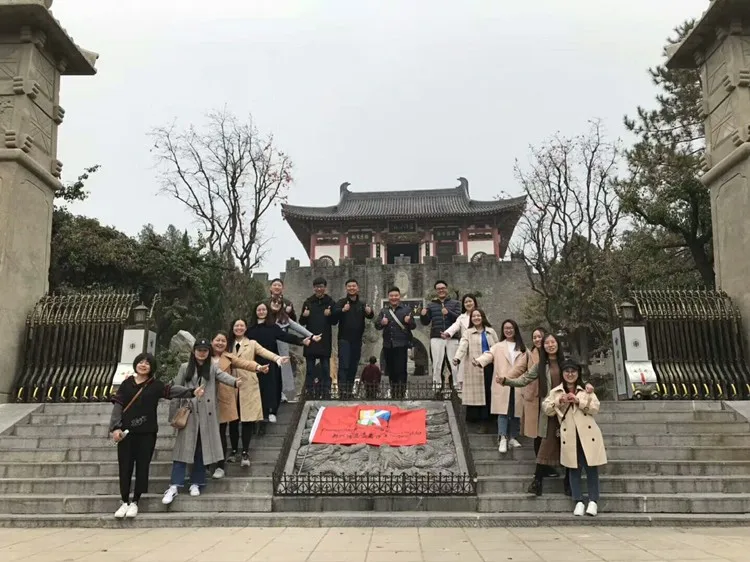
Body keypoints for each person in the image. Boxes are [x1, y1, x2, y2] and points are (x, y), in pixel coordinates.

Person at [497, 333, 594, 496]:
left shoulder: (565, 363)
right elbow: (525, 379)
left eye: (553, 342)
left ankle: (568, 483)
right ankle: (537, 481)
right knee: (546, 444)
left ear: (557, 344)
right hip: (550, 409)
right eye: (547, 343)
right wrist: (506, 381)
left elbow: (578, 380)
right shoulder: (541, 365)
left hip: (567, 410)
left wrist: (588, 386)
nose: (550, 345)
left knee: (568, 446)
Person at [109, 353, 203, 519]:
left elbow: (172, 391)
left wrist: (191, 392)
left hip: (147, 432)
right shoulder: (126, 384)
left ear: (151, 367)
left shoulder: (155, 385)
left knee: (142, 466)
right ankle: (124, 501)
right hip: (126, 433)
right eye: (141, 362)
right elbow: (118, 405)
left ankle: (135, 501)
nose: (143, 365)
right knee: (125, 467)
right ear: (136, 364)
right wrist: (115, 428)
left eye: (147, 363)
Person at [162, 339, 242, 506]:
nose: (202, 353)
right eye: (199, 349)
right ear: (194, 351)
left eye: (205, 350)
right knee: (181, 450)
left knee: (201, 449)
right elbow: (176, 389)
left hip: (207, 415)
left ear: (208, 352)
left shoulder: (212, 368)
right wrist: (173, 415)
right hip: (189, 413)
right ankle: (174, 485)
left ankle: (196, 483)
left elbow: (223, 376)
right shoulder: (185, 367)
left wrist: (235, 382)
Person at [542, 359, 607, 516]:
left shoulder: (586, 390)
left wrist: (578, 400)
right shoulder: (556, 391)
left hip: (588, 435)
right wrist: (560, 400)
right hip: (569, 435)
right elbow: (547, 409)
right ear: (563, 374)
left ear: (578, 373)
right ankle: (578, 500)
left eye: (573, 371)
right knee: (573, 469)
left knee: (591, 468)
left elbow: (595, 408)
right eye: (567, 371)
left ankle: (593, 501)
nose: (570, 374)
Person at [224, 318, 284, 468]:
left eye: (242, 325)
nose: (239, 328)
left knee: (247, 420)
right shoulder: (227, 344)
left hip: (248, 384)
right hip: (230, 384)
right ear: (232, 328)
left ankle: (245, 451)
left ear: (246, 328)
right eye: (236, 325)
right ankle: (233, 450)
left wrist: (277, 358)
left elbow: (264, 352)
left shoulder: (252, 343)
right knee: (232, 420)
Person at [209, 330, 268, 479]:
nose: (220, 343)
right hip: (205, 400)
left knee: (221, 433)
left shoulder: (229, 357)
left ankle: (220, 466)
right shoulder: (203, 356)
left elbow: (245, 363)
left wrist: (258, 367)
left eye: (223, 341)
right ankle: (204, 464)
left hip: (223, 399)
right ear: (211, 342)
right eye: (217, 340)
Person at [247, 302, 310, 423]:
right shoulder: (250, 330)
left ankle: (272, 411)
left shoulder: (273, 327)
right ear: (255, 312)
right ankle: (259, 413)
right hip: (255, 362)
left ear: (267, 312)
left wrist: (301, 341)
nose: (261, 312)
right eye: (259, 310)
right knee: (257, 388)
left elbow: (285, 336)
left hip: (272, 361)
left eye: (264, 310)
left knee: (273, 386)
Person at [476, 319, 529, 452]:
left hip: (518, 383)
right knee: (502, 412)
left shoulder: (523, 348)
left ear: (515, 330)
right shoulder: (498, 346)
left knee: (516, 411)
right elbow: (488, 355)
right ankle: (502, 437)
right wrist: (479, 361)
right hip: (502, 383)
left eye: (511, 328)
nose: (508, 330)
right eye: (506, 328)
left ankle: (513, 437)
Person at [520, 328, 559, 476]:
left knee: (548, 433)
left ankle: (548, 465)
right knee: (539, 434)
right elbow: (520, 372)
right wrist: (505, 379)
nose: (537, 340)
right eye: (534, 337)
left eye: (540, 337)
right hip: (534, 399)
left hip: (551, 400)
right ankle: (541, 468)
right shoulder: (529, 355)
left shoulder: (554, 358)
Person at [453, 308, 498, 430]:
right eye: (474, 316)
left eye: (478, 316)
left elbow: (497, 347)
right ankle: (477, 420)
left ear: (483, 317)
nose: (476, 318)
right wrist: (457, 358)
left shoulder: (491, 332)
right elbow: (463, 346)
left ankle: (490, 418)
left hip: (490, 366)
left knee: (488, 391)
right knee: (476, 394)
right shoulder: (468, 332)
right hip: (474, 366)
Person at [269, 296, 318, 403]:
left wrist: (312, 336)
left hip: (281, 347)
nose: (276, 304)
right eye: (274, 302)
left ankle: (281, 393)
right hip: (267, 347)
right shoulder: (265, 316)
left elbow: (297, 327)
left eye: (279, 303)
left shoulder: (284, 318)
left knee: (283, 370)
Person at [332, 278, 374, 398]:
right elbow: (333, 317)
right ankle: (342, 392)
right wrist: (342, 310)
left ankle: (349, 391)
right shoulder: (341, 302)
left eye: (354, 286)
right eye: (349, 286)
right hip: (344, 339)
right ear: (346, 288)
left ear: (357, 288)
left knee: (353, 366)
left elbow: (370, 315)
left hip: (357, 340)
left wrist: (369, 311)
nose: (352, 288)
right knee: (344, 366)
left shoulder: (362, 303)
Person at [375, 287, 416, 399]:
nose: (394, 298)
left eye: (396, 295)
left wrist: (409, 321)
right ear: (388, 297)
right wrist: (382, 323)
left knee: (401, 370)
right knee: (391, 370)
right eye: (391, 296)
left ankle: (401, 393)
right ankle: (393, 392)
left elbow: (413, 326)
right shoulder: (384, 311)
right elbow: (377, 325)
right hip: (388, 344)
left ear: (399, 297)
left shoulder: (406, 310)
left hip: (401, 344)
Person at [300, 277, 338, 396]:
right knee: (310, 369)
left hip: (324, 339)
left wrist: (330, 315)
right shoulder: (308, 302)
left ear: (325, 288)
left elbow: (334, 322)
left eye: (321, 286)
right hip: (310, 338)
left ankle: (326, 391)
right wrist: (304, 315)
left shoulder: (330, 302)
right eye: (317, 287)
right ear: (314, 288)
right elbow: (301, 322)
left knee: (326, 368)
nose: (319, 289)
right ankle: (309, 391)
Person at [420, 280, 461, 390]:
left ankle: (457, 388)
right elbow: (425, 322)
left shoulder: (455, 303)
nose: (441, 290)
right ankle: (437, 388)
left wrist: (448, 313)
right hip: (436, 337)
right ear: (436, 291)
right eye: (438, 289)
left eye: (443, 288)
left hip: (452, 337)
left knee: (454, 364)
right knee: (437, 364)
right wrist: (423, 315)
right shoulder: (431, 305)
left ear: (446, 289)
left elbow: (459, 319)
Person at [267, 278, 298, 401]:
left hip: (282, 337)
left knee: (284, 364)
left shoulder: (288, 302)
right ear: (270, 288)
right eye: (274, 285)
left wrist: (289, 313)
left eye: (279, 285)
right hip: (268, 337)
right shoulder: (265, 302)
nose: (277, 287)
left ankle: (283, 391)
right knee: (270, 363)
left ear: (282, 288)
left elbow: (293, 321)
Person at [442, 294, 480, 389]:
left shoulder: (480, 315)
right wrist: (447, 333)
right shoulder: (461, 317)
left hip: (479, 347)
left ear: (474, 302)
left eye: (470, 301)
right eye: (466, 302)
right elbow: (455, 326)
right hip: (465, 348)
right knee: (464, 374)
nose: (468, 303)